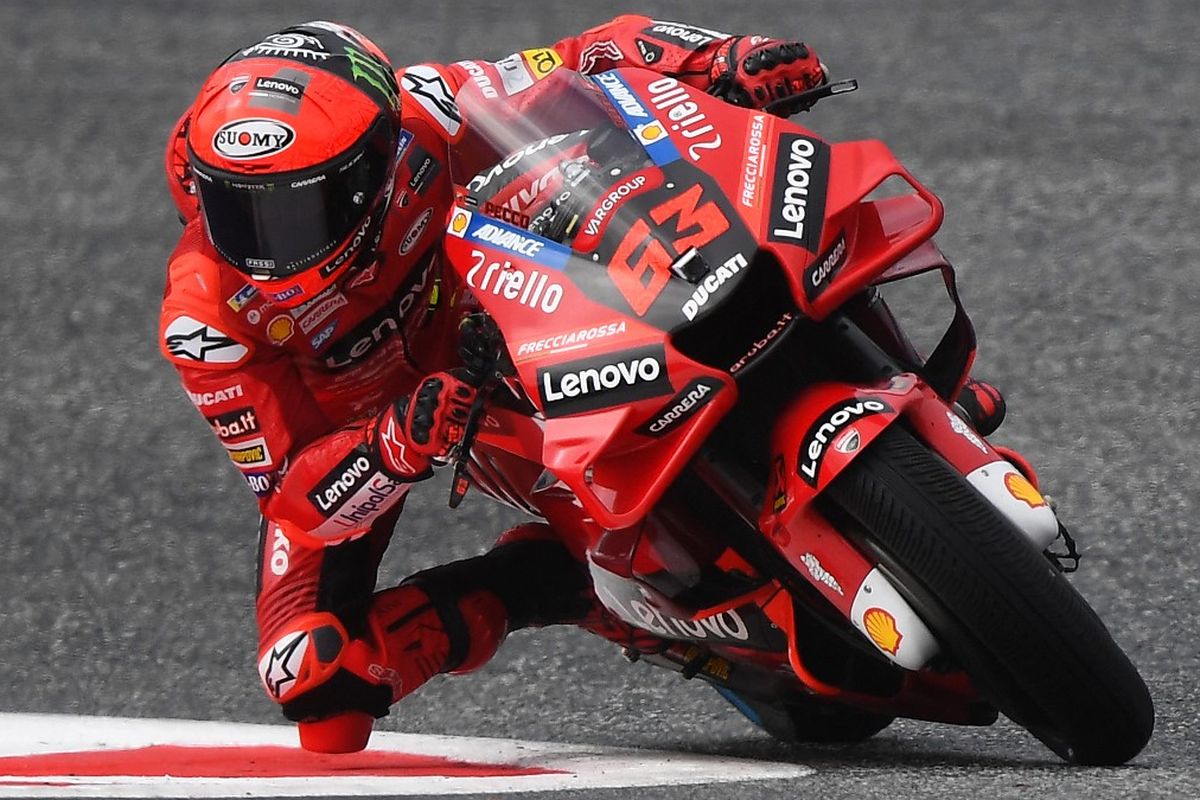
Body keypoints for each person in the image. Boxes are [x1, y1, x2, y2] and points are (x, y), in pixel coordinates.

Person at [159, 16, 1001, 754]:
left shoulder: (428, 104)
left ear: (377, 165)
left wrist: (721, 59)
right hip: (422, 426)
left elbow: (588, 57)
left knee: (751, 215)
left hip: (538, 305)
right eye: (239, 212)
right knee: (313, 676)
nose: (267, 251)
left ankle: (902, 390)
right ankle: (576, 585)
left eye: (297, 212)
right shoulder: (207, 320)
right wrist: (391, 444)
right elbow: (296, 497)